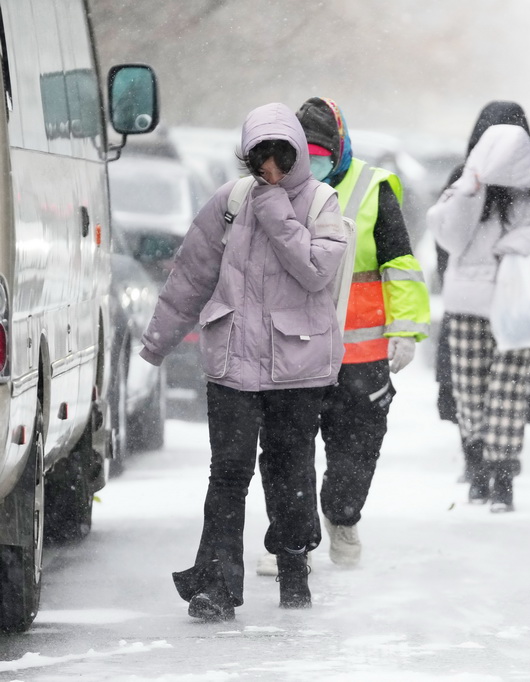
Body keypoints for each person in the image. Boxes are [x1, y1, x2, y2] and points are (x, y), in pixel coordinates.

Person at [139, 102, 347, 621]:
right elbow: (190, 278)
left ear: (297, 154)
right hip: (232, 363)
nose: (270, 171)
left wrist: (276, 211)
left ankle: (294, 566)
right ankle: (215, 585)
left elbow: (316, 271)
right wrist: (157, 343)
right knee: (228, 473)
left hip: (295, 367)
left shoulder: (322, 203)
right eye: (260, 160)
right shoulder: (228, 202)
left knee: (289, 469)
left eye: (280, 158)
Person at [255, 97, 430, 575]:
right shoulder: (271, 183)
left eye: (320, 154)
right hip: (293, 352)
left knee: (355, 451)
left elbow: (399, 263)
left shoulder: (373, 189)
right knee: (288, 450)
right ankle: (289, 542)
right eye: (302, 153)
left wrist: (407, 331)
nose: (311, 164)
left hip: (361, 353)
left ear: (340, 150)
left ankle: (343, 516)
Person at [427, 101, 530, 512]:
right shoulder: (465, 185)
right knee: (471, 392)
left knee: (505, 395)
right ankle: (480, 469)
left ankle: (499, 474)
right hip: (473, 306)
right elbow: (448, 242)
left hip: (517, 308)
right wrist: (472, 187)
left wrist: (518, 251)